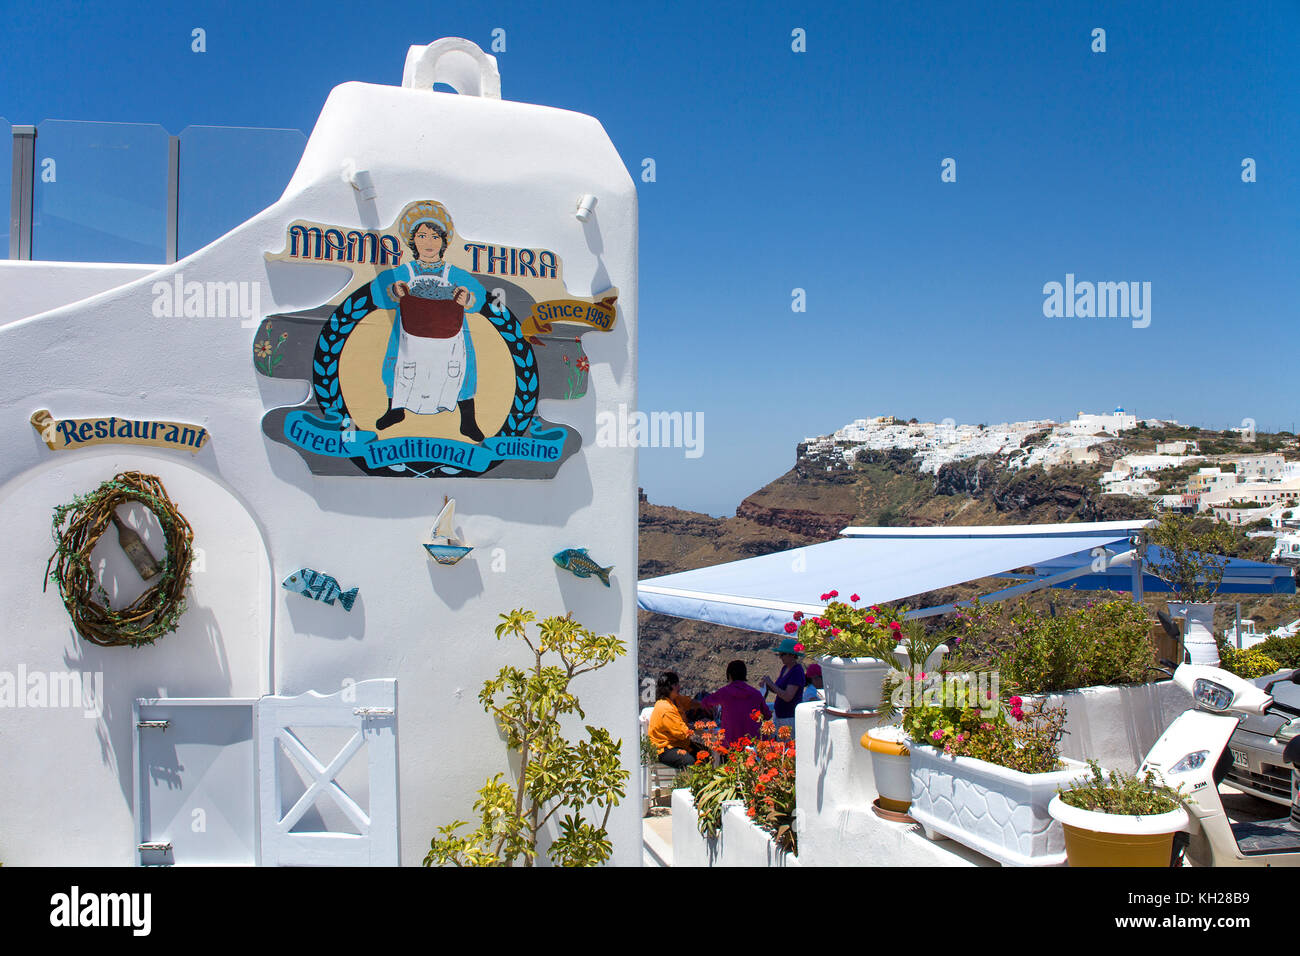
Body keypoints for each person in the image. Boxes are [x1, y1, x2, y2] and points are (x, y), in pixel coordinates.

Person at [369, 201, 488, 441]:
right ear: (413, 241)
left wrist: (469, 298)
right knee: (398, 367)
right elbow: (377, 292)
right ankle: (396, 410)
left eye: (435, 237)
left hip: (451, 334)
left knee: (462, 371)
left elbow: (480, 296)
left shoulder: (454, 273)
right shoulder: (404, 271)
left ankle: (468, 420)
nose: (428, 243)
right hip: (409, 333)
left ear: (444, 242)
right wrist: (394, 290)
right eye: (422, 236)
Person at [701, 660, 770, 746]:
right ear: (744, 675)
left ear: (729, 675)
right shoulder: (756, 694)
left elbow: (704, 702)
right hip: (753, 742)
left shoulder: (724, 692)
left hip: (730, 742)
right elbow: (767, 715)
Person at [648, 671, 705, 769]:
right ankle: (688, 783)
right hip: (664, 748)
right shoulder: (665, 708)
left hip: (680, 744)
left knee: (706, 754)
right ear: (669, 687)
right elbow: (683, 733)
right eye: (676, 684)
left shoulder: (675, 700)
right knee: (690, 761)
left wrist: (706, 705)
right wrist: (700, 725)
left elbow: (689, 703)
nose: (679, 687)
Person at [761, 637, 806, 734]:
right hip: (779, 716)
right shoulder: (785, 668)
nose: (780, 657)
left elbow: (787, 696)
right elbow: (778, 689)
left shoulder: (797, 671)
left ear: (791, 655)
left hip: (789, 718)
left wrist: (771, 684)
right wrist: (767, 685)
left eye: (782, 654)